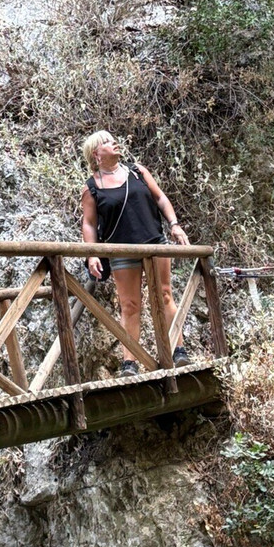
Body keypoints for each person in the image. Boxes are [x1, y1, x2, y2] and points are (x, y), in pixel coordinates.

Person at [80, 130, 191, 376]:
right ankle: (129, 363)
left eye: (113, 139)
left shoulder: (137, 172)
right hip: (121, 250)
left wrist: (174, 224)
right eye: (107, 142)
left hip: (154, 243)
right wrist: (92, 253)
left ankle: (179, 351)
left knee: (164, 295)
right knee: (129, 305)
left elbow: (160, 198)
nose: (114, 143)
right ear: (96, 154)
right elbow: (88, 223)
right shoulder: (91, 188)